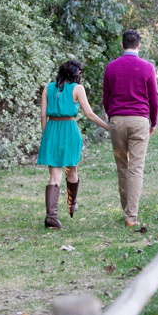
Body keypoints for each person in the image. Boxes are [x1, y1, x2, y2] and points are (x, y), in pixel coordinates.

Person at [37, 60, 110, 229]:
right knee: (72, 169)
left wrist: (45, 135)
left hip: (51, 129)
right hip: (70, 130)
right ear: (76, 74)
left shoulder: (48, 88)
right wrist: (108, 127)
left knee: (54, 176)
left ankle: (51, 216)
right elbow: (90, 114)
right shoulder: (78, 89)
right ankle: (71, 203)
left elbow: (42, 115)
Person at [102, 30, 158, 227]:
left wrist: (112, 118)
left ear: (122, 45)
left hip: (117, 120)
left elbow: (106, 97)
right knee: (136, 168)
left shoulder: (111, 67)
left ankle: (127, 211)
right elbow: (154, 98)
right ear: (139, 46)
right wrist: (154, 121)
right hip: (139, 120)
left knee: (122, 169)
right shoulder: (147, 67)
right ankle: (130, 217)